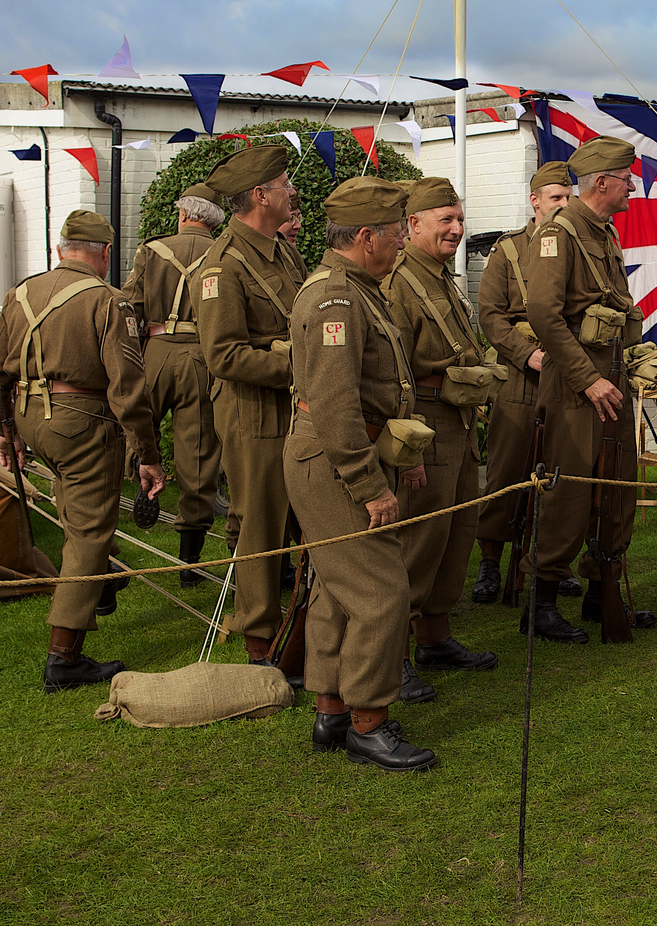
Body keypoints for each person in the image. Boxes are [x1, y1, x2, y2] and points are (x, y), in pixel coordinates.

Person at [0, 210, 164, 692]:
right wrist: (146, 453)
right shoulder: (109, 301)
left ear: (61, 248)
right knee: (88, 531)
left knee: (75, 511)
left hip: (29, 416)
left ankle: (102, 579)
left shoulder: (20, 293)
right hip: (82, 423)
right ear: (104, 254)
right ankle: (64, 656)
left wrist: (4, 430)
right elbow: (128, 386)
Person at [286, 176, 437, 772]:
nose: (403, 242)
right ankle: (369, 723)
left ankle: (332, 711)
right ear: (367, 236)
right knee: (380, 593)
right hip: (335, 461)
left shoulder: (357, 288)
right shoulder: (336, 299)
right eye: (398, 232)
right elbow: (335, 404)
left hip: (350, 454)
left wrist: (403, 458)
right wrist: (369, 484)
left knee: (337, 592)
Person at [523, 136, 651, 643]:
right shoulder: (561, 232)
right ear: (602, 183)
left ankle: (604, 587)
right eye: (625, 180)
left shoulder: (602, 231)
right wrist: (588, 377)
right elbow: (543, 316)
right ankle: (543, 598)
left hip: (610, 378)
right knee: (570, 490)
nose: (631, 187)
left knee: (618, 484)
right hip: (579, 385)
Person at [384, 175, 498, 699]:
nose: (456, 229)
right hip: (426, 419)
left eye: (458, 218)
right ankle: (393, 655)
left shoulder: (439, 276)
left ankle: (435, 637)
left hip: (458, 418)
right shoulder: (398, 280)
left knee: (456, 533)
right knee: (418, 537)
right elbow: (393, 369)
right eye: (445, 220)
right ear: (412, 224)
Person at [197, 145, 301, 667]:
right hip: (253, 413)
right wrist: (300, 368)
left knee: (305, 519)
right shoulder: (221, 265)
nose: (292, 190)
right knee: (260, 526)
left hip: (295, 409)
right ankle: (259, 643)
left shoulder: (282, 251)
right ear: (260, 196)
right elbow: (223, 355)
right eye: (284, 183)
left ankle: (302, 630)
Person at [471, 161, 580, 603]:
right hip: (520, 377)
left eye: (569, 199)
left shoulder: (580, 246)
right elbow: (491, 315)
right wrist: (527, 354)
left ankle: (550, 564)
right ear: (535, 201)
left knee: (561, 473)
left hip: (568, 374)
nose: (563, 206)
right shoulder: (509, 250)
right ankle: (490, 563)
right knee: (506, 470)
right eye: (556, 198)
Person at [121, 183, 223, 585]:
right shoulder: (223, 253)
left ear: (183, 214)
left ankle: (140, 480)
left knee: (134, 425)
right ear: (215, 220)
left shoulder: (152, 249)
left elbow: (130, 304)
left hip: (157, 351)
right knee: (198, 452)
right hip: (201, 356)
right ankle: (188, 562)